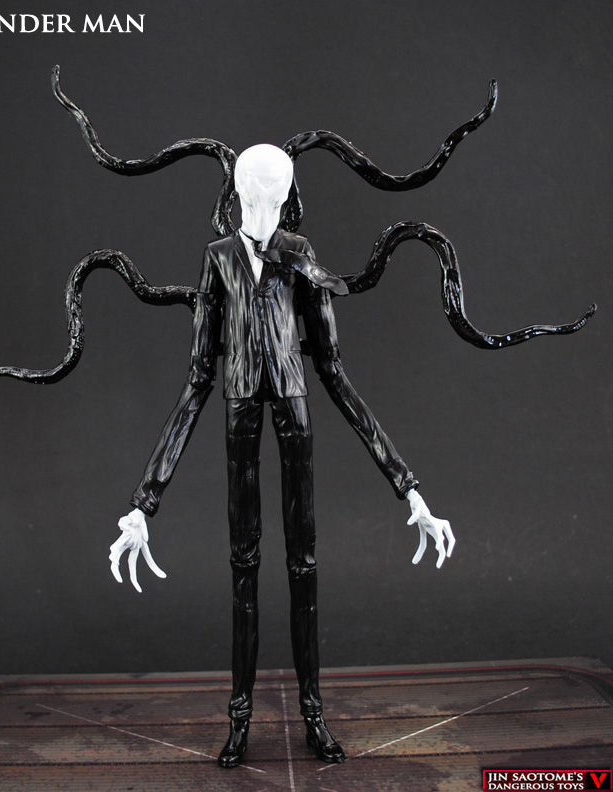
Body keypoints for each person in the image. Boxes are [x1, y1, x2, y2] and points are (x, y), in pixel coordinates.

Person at [108, 143, 455, 768]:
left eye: (273, 196)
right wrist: (144, 502)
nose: (262, 208)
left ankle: (313, 714)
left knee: (305, 566)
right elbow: (197, 379)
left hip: (295, 412)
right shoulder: (218, 259)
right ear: (238, 193)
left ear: (286, 195)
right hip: (239, 411)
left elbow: (334, 371)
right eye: (253, 194)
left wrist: (409, 487)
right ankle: (239, 719)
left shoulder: (300, 256)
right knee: (242, 566)